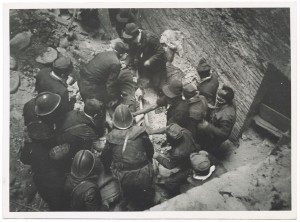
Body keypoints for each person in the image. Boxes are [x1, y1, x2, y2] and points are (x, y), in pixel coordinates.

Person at [101, 104, 155, 210]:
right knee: (146, 197)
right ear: (131, 119)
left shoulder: (111, 137)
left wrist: (107, 170)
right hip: (144, 173)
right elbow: (150, 151)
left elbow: (105, 158)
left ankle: (127, 201)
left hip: (123, 175)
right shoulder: (141, 132)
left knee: (128, 193)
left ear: (115, 121)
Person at [56, 98, 106, 166]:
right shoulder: (88, 131)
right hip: (70, 147)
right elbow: (98, 147)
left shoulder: (73, 112)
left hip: (59, 137)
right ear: (95, 115)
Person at [151, 123, 198, 197]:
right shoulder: (185, 131)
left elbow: (170, 165)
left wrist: (157, 156)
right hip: (193, 152)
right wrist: (152, 132)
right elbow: (167, 129)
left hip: (189, 164)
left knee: (170, 181)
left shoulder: (178, 152)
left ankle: (173, 194)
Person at [20, 142, 69, 211]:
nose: (57, 150)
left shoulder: (55, 172)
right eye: (59, 147)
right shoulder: (41, 151)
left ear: (63, 157)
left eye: (62, 150)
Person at [123, 23, 167, 91]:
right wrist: (126, 63)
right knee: (142, 81)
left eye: (132, 40)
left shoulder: (150, 38)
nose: (130, 42)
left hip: (157, 62)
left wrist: (150, 60)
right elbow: (131, 52)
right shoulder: (133, 39)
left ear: (135, 36)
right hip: (145, 59)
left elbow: (161, 52)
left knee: (156, 85)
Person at [196, 85, 236, 155]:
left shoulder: (226, 116)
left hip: (216, 137)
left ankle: (209, 156)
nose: (217, 99)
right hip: (215, 126)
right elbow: (220, 108)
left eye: (220, 99)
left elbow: (224, 134)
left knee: (210, 147)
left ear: (227, 101)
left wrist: (208, 126)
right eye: (217, 96)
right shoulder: (228, 102)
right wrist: (213, 108)